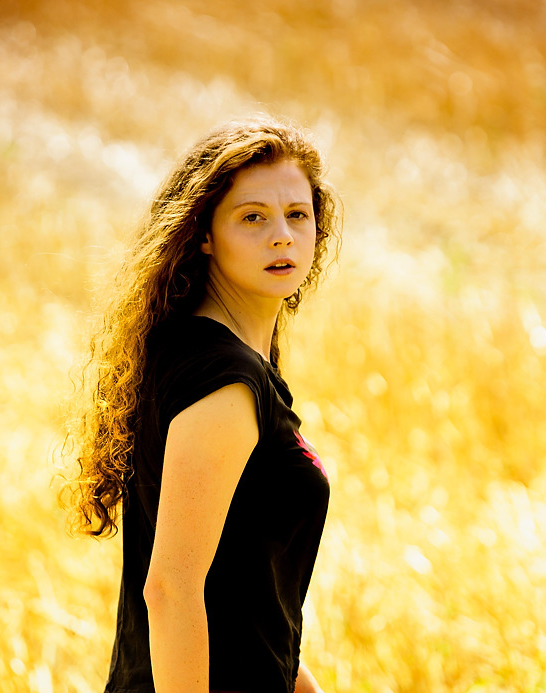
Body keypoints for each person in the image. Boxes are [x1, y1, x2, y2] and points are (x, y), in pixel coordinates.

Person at [63, 115, 341, 693]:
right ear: (205, 234)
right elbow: (171, 589)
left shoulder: (201, 353)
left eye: (297, 214)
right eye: (253, 217)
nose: (282, 236)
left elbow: (238, 589)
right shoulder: (225, 382)